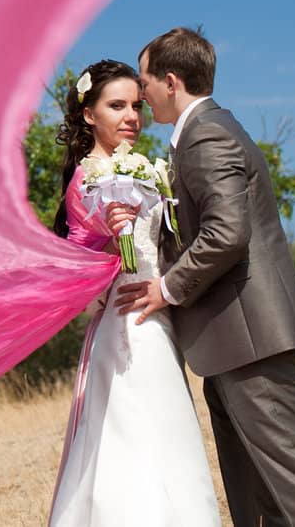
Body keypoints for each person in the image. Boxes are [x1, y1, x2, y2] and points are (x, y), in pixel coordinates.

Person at [113, 27, 295, 527]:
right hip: (231, 341)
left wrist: (166, 288)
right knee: (261, 492)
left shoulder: (206, 134)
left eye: (144, 82)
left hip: (251, 340)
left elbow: (227, 233)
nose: (141, 94)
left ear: (170, 80)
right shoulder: (201, 135)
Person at [48, 59, 220, 527]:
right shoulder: (88, 179)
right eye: (116, 106)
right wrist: (106, 234)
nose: (131, 117)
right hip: (125, 328)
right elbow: (76, 260)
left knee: (169, 442)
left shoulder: (145, 168)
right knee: (130, 451)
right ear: (89, 115)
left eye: (137, 106)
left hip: (157, 322)